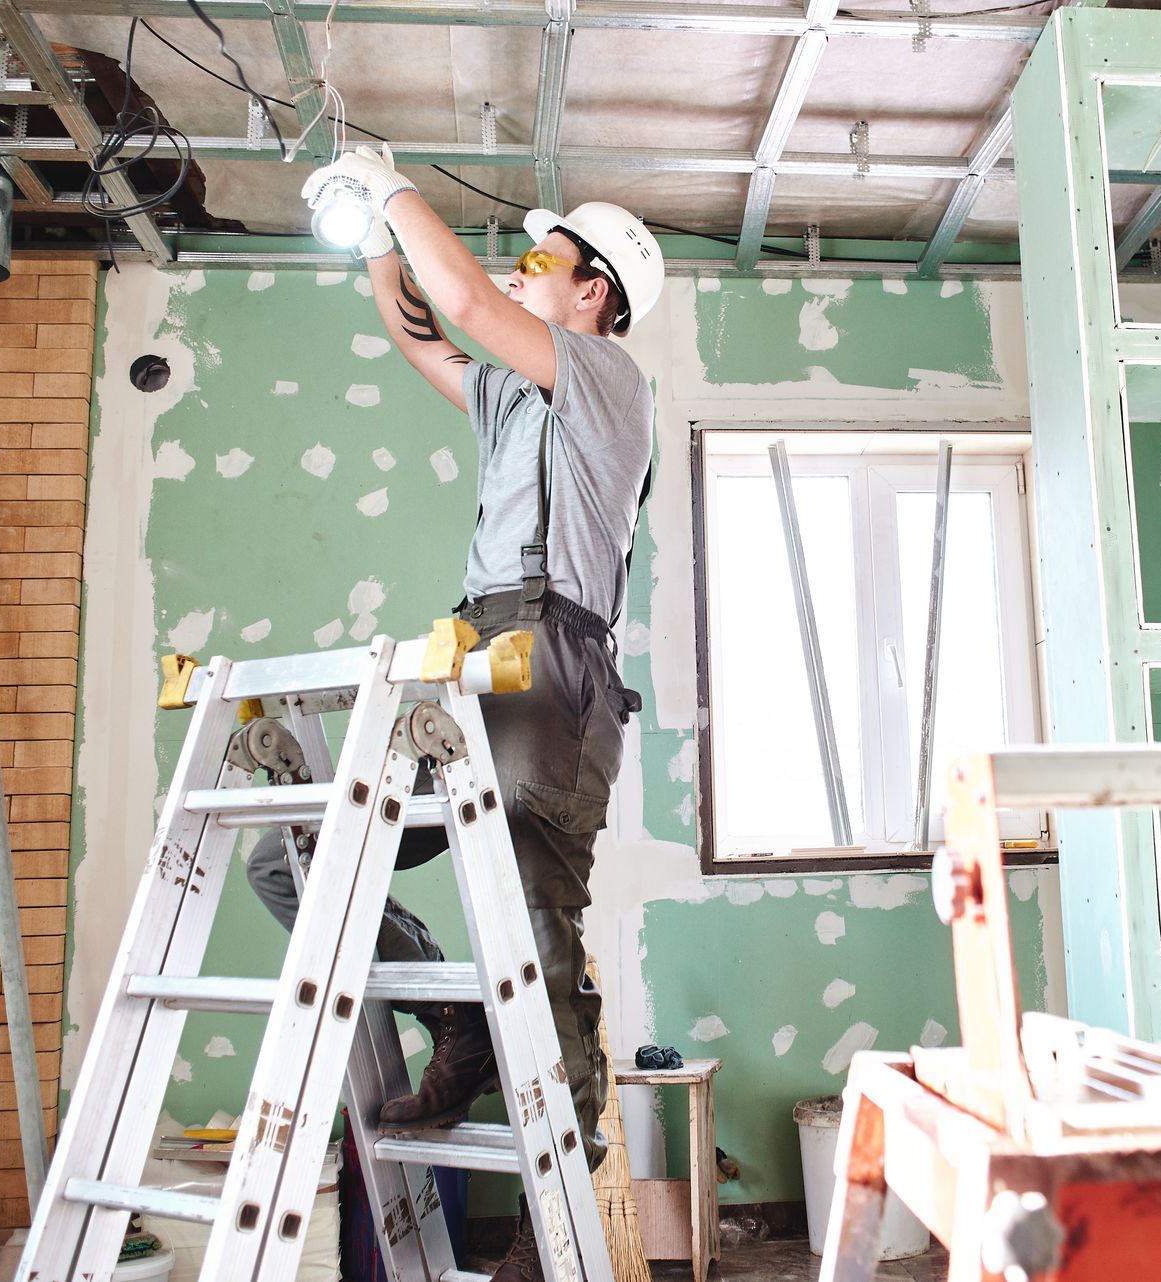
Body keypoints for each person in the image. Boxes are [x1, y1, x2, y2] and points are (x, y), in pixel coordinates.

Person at [244, 144, 661, 1281]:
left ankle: (555, 1212)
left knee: (531, 928)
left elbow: (466, 301)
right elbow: (426, 329)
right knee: (295, 866)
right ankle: (461, 1022)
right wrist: (373, 237)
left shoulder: (610, 385)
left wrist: (388, 180)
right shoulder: (509, 395)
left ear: (594, 296)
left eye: (546, 259)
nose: (520, 273)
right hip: (467, 660)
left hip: (552, 678)